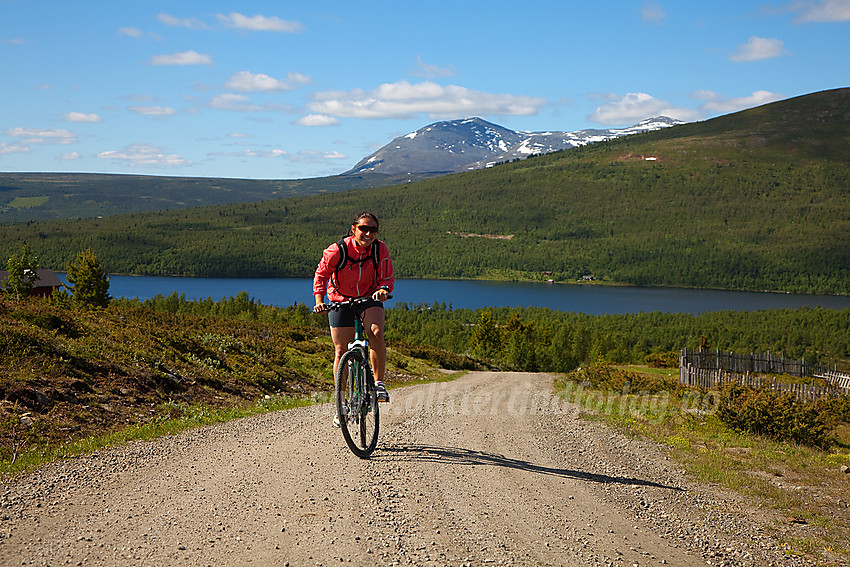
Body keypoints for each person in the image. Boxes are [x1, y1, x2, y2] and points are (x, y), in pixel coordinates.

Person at [313, 211, 395, 426]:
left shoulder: (380, 249)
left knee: (376, 331)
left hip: (369, 296)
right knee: (341, 350)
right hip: (339, 298)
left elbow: (386, 276)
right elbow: (321, 274)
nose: (368, 233)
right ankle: (341, 403)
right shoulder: (337, 250)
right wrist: (319, 300)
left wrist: (384, 289)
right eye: (363, 228)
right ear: (353, 229)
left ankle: (378, 384)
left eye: (373, 230)